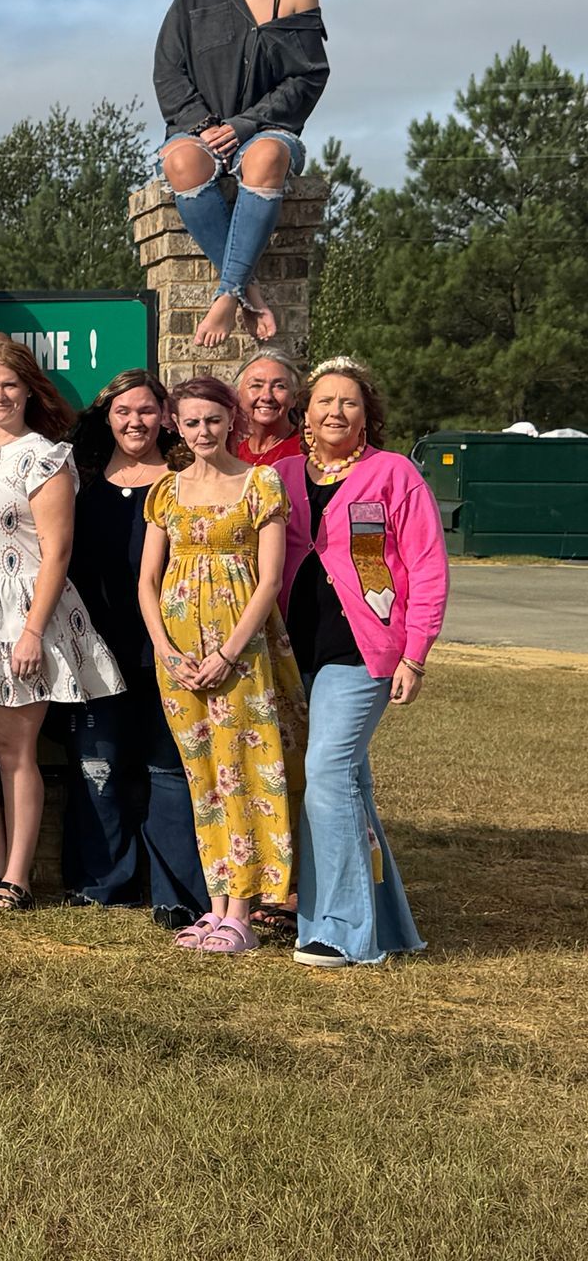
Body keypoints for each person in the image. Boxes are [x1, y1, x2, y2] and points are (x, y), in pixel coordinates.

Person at [0, 338, 123, 913]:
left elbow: (58, 553)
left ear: (29, 390)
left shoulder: (47, 457)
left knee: (15, 751)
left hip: (21, 614)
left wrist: (35, 631)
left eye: (9, 385)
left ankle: (18, 879)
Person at [275, 356, 444, 967]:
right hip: (296, 655)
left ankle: (339, 930)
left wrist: (415, 656)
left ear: (367, 415)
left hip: (363, 654)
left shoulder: (395, 474)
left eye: (349, 402)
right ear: (306, 414)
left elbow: (427, 568)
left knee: (326, 775)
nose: (336, 412)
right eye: (324, 402)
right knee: (349, 787)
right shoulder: (284, 474)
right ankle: (388, 925)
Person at [138, 375, 306, 955]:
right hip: (180, 659)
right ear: (174, 425)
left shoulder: (260, 484)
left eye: (212, 419)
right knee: (205, 779)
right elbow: (147, 582)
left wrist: (227, 652)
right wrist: (167, 651)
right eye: (191, 422)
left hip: (241, 652)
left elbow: (269, 581)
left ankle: (246, 912)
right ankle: (215, 908)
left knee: (246, 774)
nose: (203, 431)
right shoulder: (166, 490)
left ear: (229, 420)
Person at [64, 371, 210, 926]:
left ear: (165, 417)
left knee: (166, 769)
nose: (135, 422)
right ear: (108, 415)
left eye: (147, 411)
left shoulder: (183, 481)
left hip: (166, 648)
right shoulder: (79, 476)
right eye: (124, 411)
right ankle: (102, 883)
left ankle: (175, 892)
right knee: (96, 767)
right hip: (91, 647)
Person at [155, 0, 327, 347]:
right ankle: (246, 288)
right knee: (181, 163)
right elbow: (168, 72)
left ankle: (226, 294)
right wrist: (206, 127)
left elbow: (308, 77)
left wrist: (244, 125)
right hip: (199, 130)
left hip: (266, 128)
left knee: (267, 156)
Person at [233, 348, 304, 465]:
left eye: (279, 386)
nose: (267, 397)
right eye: (256, 385)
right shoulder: (231, 453)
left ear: (294, 398)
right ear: (237, 394)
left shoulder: (307, 451)